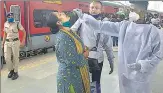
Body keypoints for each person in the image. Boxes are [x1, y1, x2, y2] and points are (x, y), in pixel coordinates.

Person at [73, 9, 163, 93]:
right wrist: (84, 17)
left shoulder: (155, 32)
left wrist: (142, 65)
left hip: (142, 75)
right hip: (125, 73)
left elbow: (158, 55)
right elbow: (101, 25)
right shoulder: (125, 26)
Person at [71, 1, 114, 93]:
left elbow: (108, 45)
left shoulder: (104, 24)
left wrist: (111, 61)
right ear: (89, 9)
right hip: (83, 57)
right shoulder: (81, 20)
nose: (93, 10)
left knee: (95, 83)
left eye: (96, 8)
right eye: (92, 7)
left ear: (101, 10)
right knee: (82, 82)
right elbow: (71, 32)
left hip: (97, 60)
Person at [47, 12, 90, 93]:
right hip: (70, 78)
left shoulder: (70, 32)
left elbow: (79, 47)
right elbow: (71, 60)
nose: (62, 12)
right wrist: (84, 55)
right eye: (60, 14)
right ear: (59, 23)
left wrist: (85, 49)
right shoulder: (63, 37)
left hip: (76, 75)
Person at [2, 12, 26, 80]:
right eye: (9, 17)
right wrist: (2, 43)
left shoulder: (17, 23)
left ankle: (15, 72)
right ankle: (11, 70)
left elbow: (24, 32)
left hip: (15, 42)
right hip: (7, 42)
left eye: (12, 16)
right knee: (7, 57)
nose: (10, 18)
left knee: (15, 57)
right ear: (7, 18)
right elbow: (5, 34)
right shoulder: (5, 23)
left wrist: (23, 41)